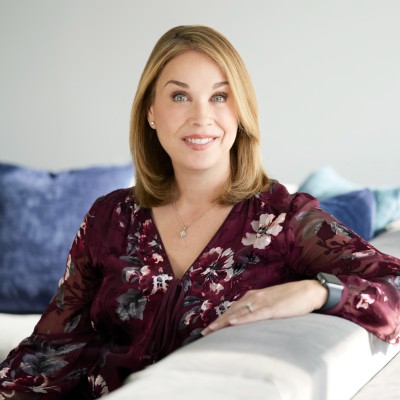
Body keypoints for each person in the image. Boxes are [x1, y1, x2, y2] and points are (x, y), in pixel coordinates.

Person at [1, 24, 400, 399]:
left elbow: (393, 283)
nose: (201, 117)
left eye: (219, 97)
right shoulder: (110, 217)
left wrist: (317, 291)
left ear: (241, 111)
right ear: (151, 112)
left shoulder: (285, 220)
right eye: (180, 96)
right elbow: (49, 347)